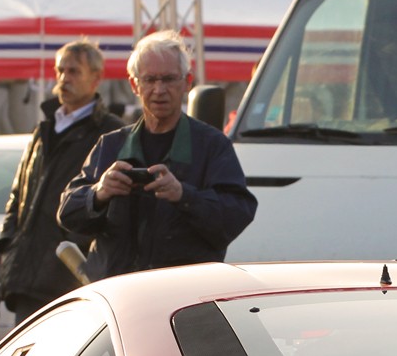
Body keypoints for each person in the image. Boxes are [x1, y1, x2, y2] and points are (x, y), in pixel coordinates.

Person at [58, 31, 255, 277]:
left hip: (184, 296)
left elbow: (238, 214)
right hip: (119, 296)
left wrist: (184, 195)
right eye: (149, 80)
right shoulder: (111, 144)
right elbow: (67, 212)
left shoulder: (211, 146)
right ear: (134, 85)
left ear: (187, 82)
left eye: (169, 79)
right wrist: (99, 194)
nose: (159, 90)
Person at [0, 39, 126, 325]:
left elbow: (112, 202)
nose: (63, 79)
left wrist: (77, 249)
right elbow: (19, 194)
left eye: (73, 72)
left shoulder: (110, 132)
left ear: (96, 77)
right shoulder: (43, 128)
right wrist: (7, 245)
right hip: (27, 272)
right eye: (60, 70)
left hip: (70, 273)